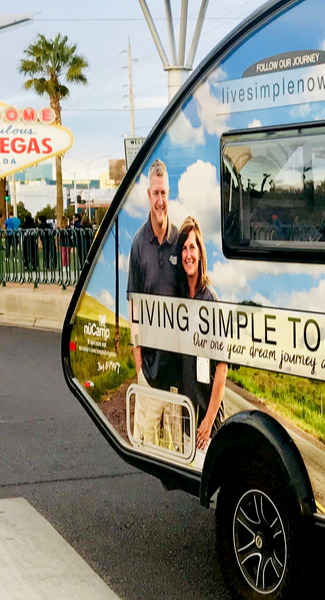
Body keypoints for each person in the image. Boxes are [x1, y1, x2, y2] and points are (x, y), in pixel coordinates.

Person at [127, 159, 184, 447]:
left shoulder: (181, 241)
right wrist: (139, 366)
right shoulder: (138, 243)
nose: (160, 200)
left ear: (169, 194)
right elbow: (134, 307)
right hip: (149, 373)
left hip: (177, 376)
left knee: (178, 454)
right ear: (148, 196)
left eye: (164, 193)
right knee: (145, 448)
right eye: (155, 193)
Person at [176, 215, 228, 450]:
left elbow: (222, 367)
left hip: (208, 428)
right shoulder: (179, 300)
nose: (188, 255)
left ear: (200, 253)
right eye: (184, 248)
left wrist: (207, 423)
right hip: (187, 421)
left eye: (192, 247)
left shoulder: (211, 300)